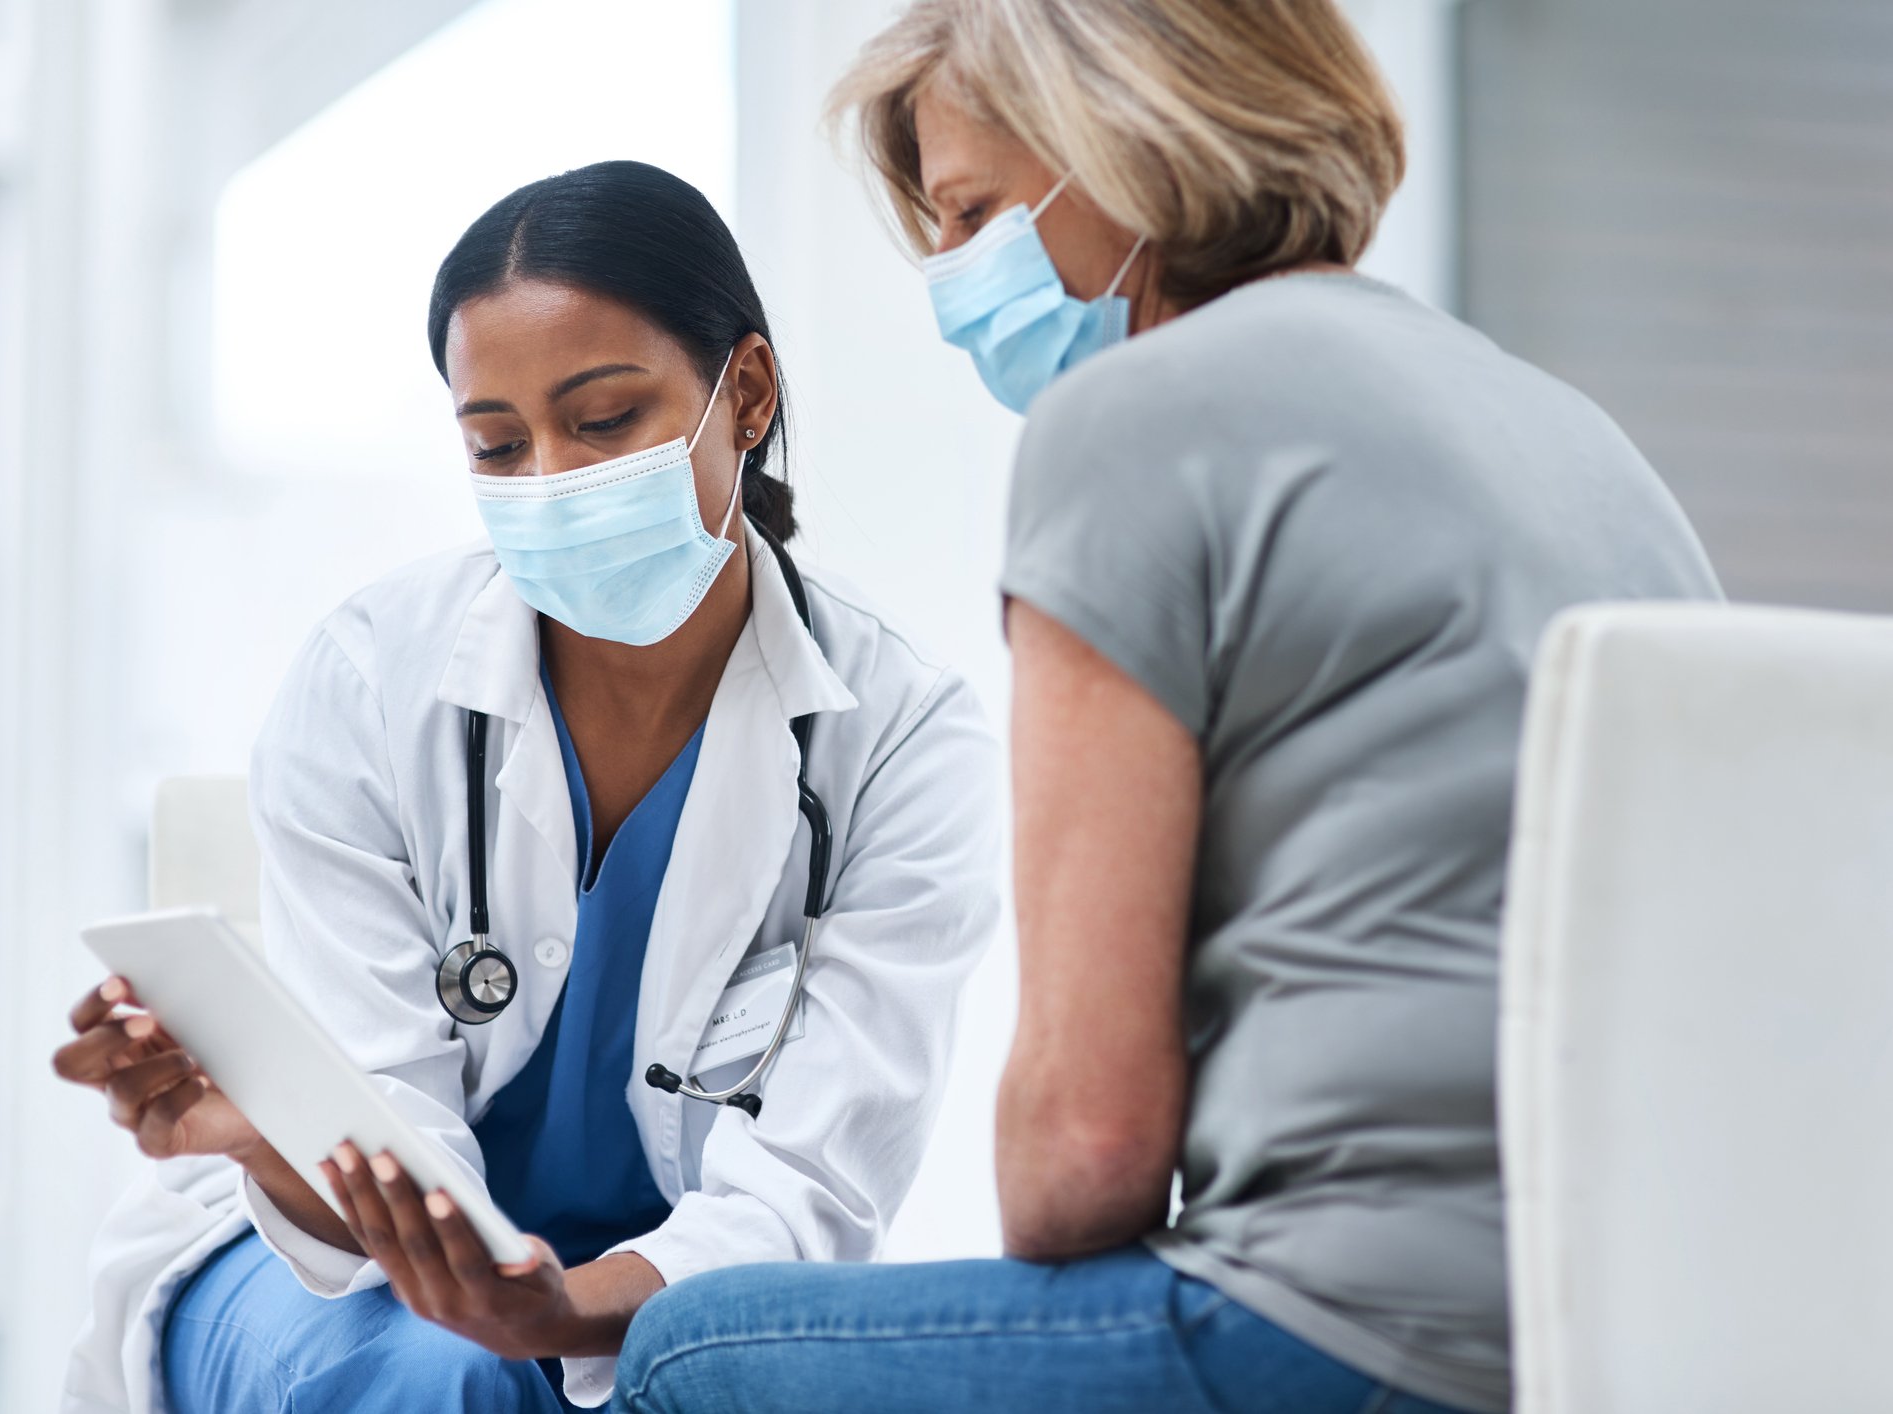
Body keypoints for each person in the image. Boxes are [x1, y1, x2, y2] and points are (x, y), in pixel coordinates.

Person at [612, 4, 1722, 1413]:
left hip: (1354, 1336)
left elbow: (1081, 1157)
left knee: (686, 1352)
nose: (951, 280)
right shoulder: (1567, 428)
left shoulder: (1131, 419)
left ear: (1128, 139)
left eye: (973, 214)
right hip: (1634, 1330)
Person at [52, 159, 999, 1414]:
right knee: (455, 1378)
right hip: (320, 1267)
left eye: (603, 420)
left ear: (747, 393)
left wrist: (559, 1310)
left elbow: (811, 1189)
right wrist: (269, 1143)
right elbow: (376, 1147)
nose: (550, 478)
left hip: (660, 1292)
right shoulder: (371, 682)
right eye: (497, 445)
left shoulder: (899, 739)